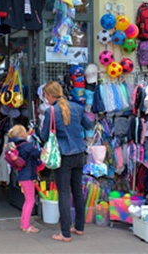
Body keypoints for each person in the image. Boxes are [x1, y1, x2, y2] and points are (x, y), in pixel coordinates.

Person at [40, 81, 93, 242]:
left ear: (49, 95)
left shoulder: (51, 111)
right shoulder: (76, 107)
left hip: (63, 156)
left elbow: (43, 136)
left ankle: (65, 233)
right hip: (79, 153)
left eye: (45, 96)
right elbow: (89, 124)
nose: (46, 99)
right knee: (77, 190)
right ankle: (79, 227)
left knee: (63, 192)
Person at [8, 124, 42, 233]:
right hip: (27, 176)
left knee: (27, 201)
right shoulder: (26, 146)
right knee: (30, 201)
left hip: (23, 176)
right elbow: (38, 154)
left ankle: (23, 224)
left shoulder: (18, 146)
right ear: (23, 134)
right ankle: (26, 225)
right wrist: (47, 150)